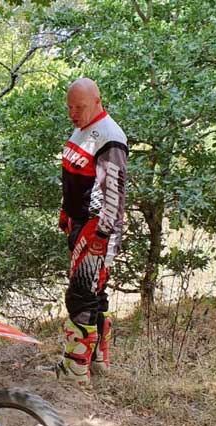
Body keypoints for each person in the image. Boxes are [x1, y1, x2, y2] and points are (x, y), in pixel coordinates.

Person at [55, 78, 128, 385]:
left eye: (80, 107)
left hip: (97, 227)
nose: (73, 113)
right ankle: (97, 360)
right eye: (70, 107)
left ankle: (75, 370)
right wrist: (66, 210)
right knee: (93, 292)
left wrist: (101, 234)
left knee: (81, 294)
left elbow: (114, 192)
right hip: (80, 221)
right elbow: (74, 176)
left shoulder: (110, 137)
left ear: (98, 102)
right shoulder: (83, 129)